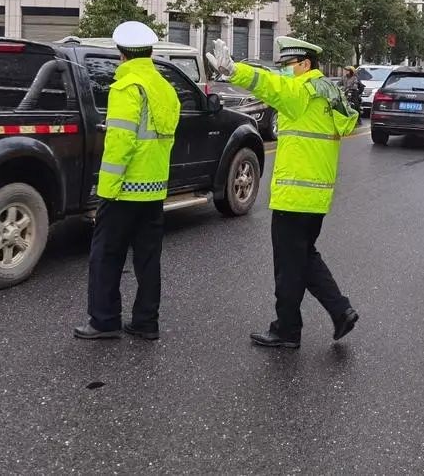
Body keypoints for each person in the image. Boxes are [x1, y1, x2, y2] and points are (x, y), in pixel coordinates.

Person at [206, 36, 360, 349]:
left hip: (294, 195)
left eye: (290, 65)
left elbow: (269, 85)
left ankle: (287, 330)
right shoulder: (329, 92)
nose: (286, 71)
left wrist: (234, 70)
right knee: (303, 257)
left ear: (305, 64)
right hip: (316, 196)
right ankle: (340, 310)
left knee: (289, 266)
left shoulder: (302, 91)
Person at [74, 21, 181, 341]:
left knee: (106, 256)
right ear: (148, 52)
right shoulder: (164, 87)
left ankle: (104, 321)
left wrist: (106, 191)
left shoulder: (126, 88)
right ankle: (146, 322)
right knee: (148, 260)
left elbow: (121, 144)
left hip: (123, 193)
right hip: (154, 189)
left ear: (121, 54)